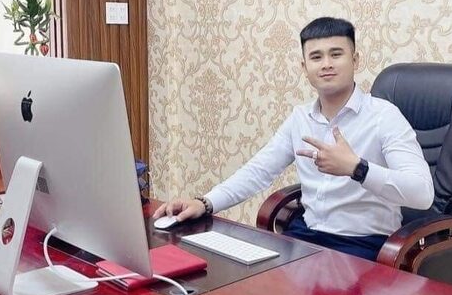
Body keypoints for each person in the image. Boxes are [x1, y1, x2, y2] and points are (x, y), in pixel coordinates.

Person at [153, 17, 434, 261]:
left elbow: (422, 194)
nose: (326, 64)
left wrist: (357, 168)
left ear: (355, 60)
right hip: (306, 237)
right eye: (316, 57)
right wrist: (205, 203)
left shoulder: (384, 116)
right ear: (304, 66)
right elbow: (259, 171)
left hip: (364, 244)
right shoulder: (300, 118)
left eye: (336, 54)